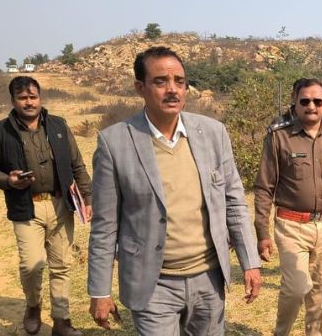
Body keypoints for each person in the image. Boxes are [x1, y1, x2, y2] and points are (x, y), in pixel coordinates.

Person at [88, 46, 262, 335]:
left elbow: (234, 203)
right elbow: (105, 225)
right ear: (140, 88)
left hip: (209, 279)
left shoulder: (213, 133)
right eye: (161, 81)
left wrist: (250, 263)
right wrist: (99, 291)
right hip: (152, 283)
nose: (172, 90)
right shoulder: (115, 143)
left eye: (179, 81)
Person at [254, 78, 322, 336]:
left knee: (320, 293)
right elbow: (264, 188)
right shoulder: (279, 137)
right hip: (291, 226)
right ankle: (281, 332)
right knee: (295, 289)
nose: (311, 106)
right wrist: (262, 233)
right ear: (295, 102)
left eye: (317, 101)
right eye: (305, 101)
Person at [0, 76, 92, 336]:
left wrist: (88, 197)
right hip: (26, 207)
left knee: (61, 265)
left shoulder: (58, 125)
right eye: (22, 98)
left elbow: (77, 164)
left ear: (40, 98)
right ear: (13, 101)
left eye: (33, 97)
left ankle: (61, 321)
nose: (29, 102)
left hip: (62, 204)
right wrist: (8, 180)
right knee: (31, 264)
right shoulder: (1, 131)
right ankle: (33, 306)